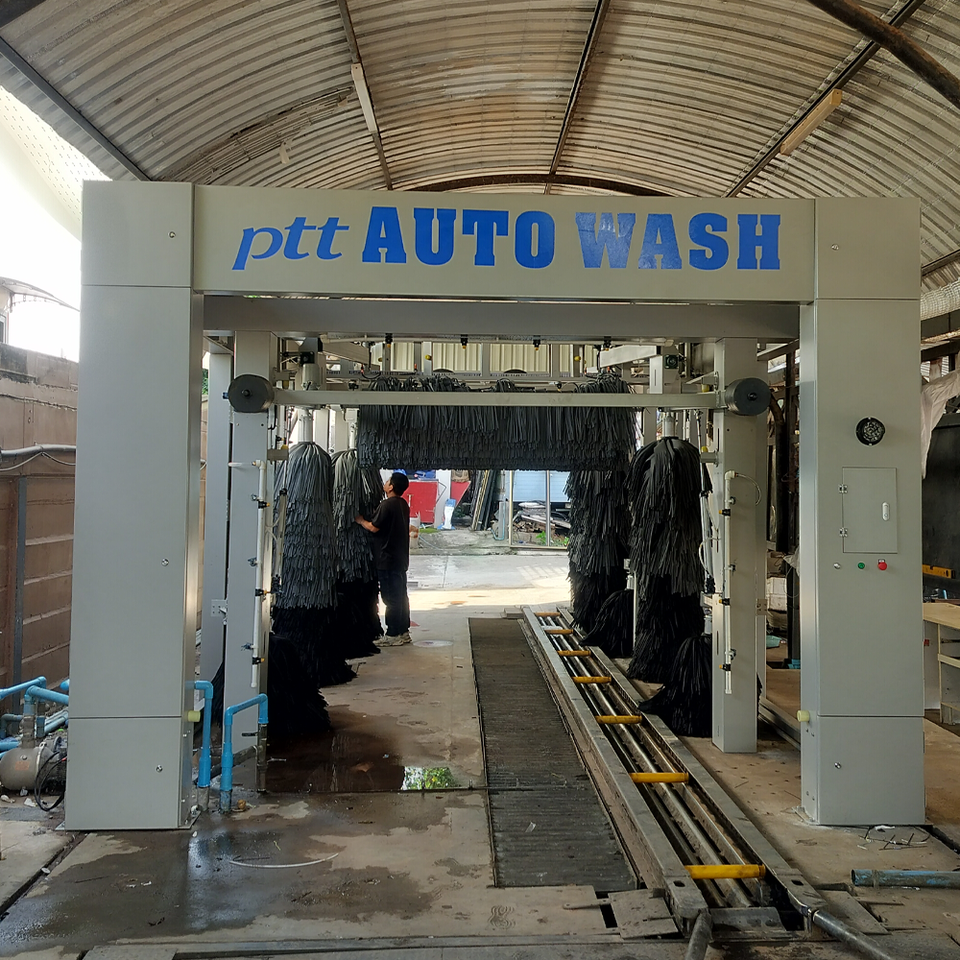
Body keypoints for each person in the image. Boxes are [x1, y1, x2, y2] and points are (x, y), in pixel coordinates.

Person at [355, 471, 413, 646]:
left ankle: (393, 634)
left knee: (390, 598)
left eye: (388, 481)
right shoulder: (403, 504)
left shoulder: (387, 505)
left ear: (391, 487)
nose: (385, 483)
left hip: (387, 559)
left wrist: (360, 521)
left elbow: (374, 527)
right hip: (400, 559)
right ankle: (403, 631)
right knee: (401, 596)